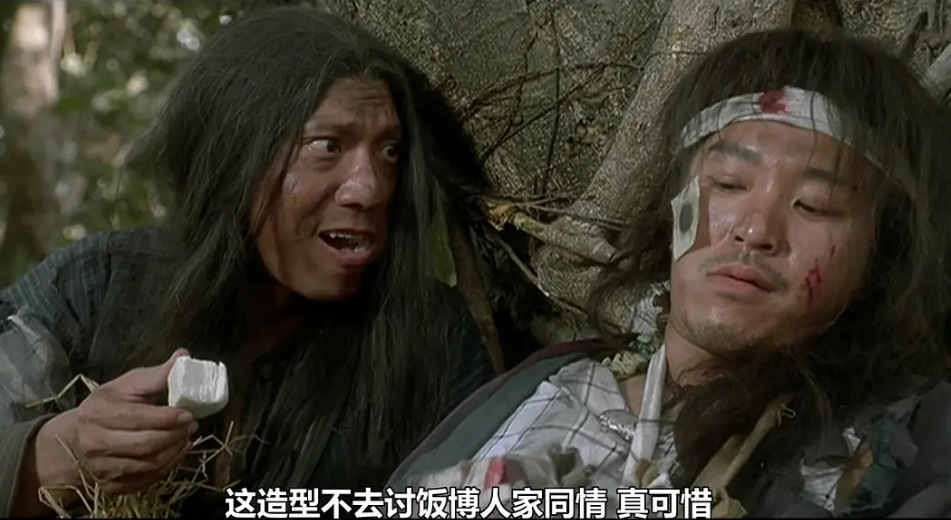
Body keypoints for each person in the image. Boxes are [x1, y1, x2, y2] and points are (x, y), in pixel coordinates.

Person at [389, 28, 951, 518]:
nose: (755, 229)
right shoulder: (548, 381)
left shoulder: (900, 446)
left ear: (878, 259)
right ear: (673, 208)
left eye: (815, 205)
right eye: (728, 184)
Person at [0, 5, 495, 517]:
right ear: (235, 160)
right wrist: (59, 453)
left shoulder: (429, 341)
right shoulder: (99, 289)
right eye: (327, 145)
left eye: (389, 151)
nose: (369, 189)